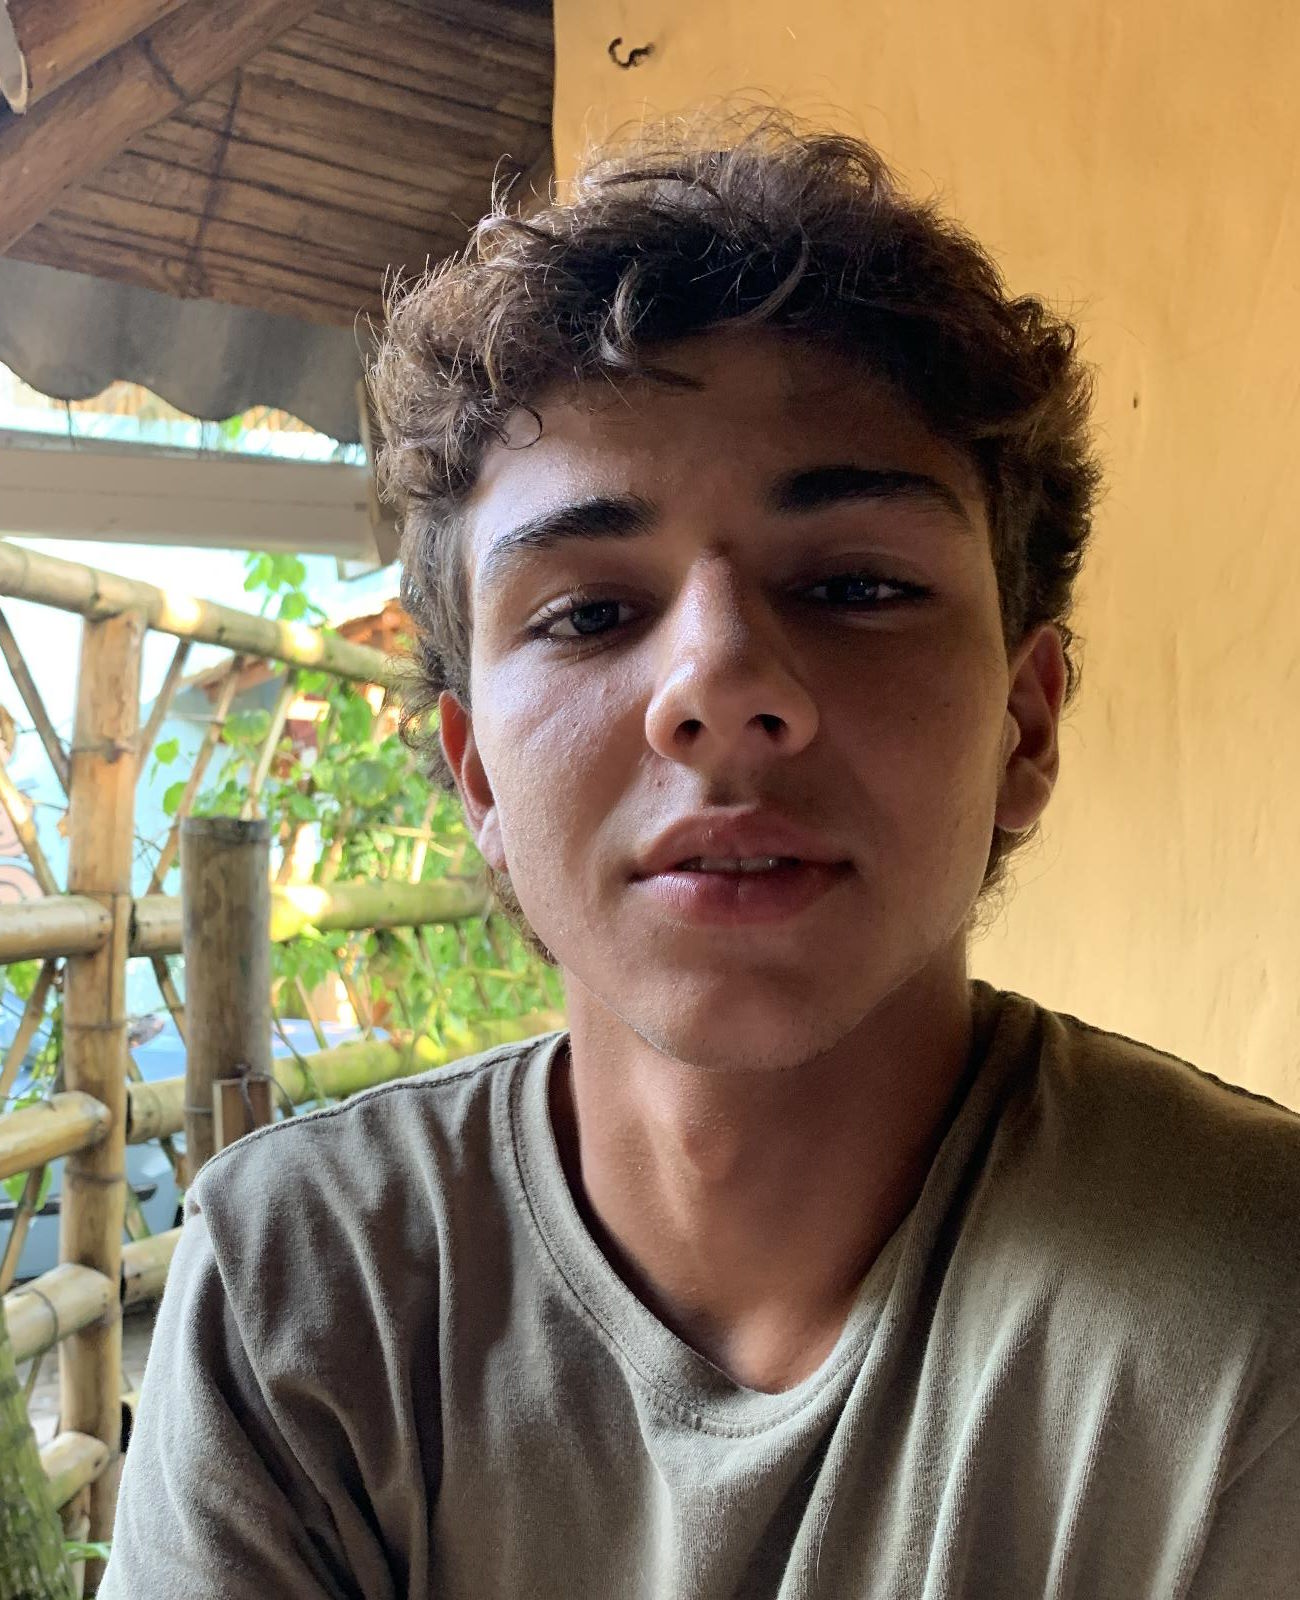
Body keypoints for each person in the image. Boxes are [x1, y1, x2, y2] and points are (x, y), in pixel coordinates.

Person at [102, 116, 1300, 1598]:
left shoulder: (1257, 1310)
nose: (720, 685)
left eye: (855, 585)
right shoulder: (298, 1295)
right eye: (589, 613)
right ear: (476, 777)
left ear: (1025, 724)